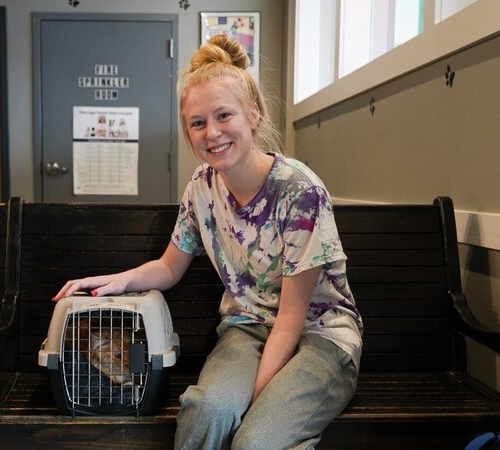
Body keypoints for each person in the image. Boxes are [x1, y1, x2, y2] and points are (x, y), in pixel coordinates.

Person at [53, 34, 362, 450]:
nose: (211, 133)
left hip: (320, 337)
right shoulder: (202, 187)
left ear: (254, 114)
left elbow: (291, 319)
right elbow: (168, 267)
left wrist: (253, 405)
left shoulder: (299, 191)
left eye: (223, 116)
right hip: (247, 329)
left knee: (256, 441)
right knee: (207, 411)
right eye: (198, 123)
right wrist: (115, 281)